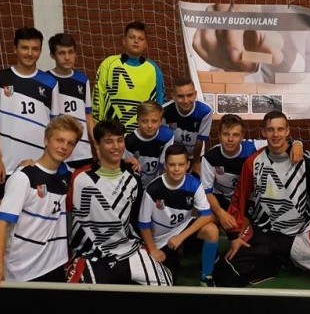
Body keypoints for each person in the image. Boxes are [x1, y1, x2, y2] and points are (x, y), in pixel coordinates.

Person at [213, 111, 310, 287]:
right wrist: (233, 235)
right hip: (264, 233)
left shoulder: (305, 161)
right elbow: (239, 199)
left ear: (287, 131)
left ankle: (288, 257)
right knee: (224, 274)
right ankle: (276, 260)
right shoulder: (253, 162)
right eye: (270, 129)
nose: (275, 134)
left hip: (298, 233)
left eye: (280, 129)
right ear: (263, 132)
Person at [0, 115, 83, 294]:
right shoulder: (23, 177)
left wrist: (127, 162)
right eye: (59, 140)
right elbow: (1, 224)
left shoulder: (67, 175)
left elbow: (99, 170)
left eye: (70, 143)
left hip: (54, 264)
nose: (64, 147)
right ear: (46, 140)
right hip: (22, 270)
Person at [67, 119, 173, 285]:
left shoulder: (133, 177)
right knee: (73, 292)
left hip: (128, 249)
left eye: (120, 140)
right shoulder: (78, 177)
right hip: (89, 254)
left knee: (165, 284)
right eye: (109, 142)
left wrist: (150, 248)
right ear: (97, 144)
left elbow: (138, 218)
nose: (116, 146)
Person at [0, 27, 59, 201]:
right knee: (4, 215)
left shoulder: (50, 83)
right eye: (25, 48)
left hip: (41, 165)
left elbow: (55, 127)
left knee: (39, 215)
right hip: (8, 166)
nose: (30, 53)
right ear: (15, 49)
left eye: (35, 49)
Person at [200, 114, 302, 231]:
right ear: (219, 135)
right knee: (207, 224)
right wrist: (221, 214)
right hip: (220, 198)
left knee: (240, 228)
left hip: (246, 199)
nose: (230, 139)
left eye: (235, 135)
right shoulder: (210, 157)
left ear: (242, 136)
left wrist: (297, 143)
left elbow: (281, 142)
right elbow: (207, 191)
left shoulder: (253, 147)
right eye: (226, 134)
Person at [138, 143, 219, 286]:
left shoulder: (194, 184)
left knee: (212, 230)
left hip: (182, 230)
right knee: (169, 280)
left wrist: (181, 237)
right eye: (172, 164)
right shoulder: (153, 189)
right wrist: (153, 249)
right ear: (165, 165)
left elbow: (207, 215)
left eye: (181, 164)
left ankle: (206, 277)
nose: (176, 169)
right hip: (161, 239)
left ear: (187, 165)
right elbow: (144, 224)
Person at [92, 21, 165, 134]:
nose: (136, 41)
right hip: (111, 134)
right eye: (132, 37)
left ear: (146, 44)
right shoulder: (108, 64)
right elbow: (98, 97)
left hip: (142, 136)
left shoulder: (153, 69)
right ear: (124, 41)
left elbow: (160, 103)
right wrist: (97, 127)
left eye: (141, 39)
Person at [47, 33, 94, 170]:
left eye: (71, 52)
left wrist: (95, 143)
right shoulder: (45, 81)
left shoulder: (83, 80)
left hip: (83, 151)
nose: (67, 57)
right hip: (58, 151)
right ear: (52, 55)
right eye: (62, 53)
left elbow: (88, 115)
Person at [162, 75, 212, 176]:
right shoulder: (164, 111)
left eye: (190, 95)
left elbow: (200, 140)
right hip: (173, 156)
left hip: (195, 155)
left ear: (195, 94)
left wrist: (196, 163)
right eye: (180, 96)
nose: (186, 101)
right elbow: (164, 140)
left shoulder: (205, 111)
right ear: (173, 96)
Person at [124, 100, 175, 187]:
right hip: (136, 185)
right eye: (144, 121)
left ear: (160, 121)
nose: (149, 126)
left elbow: (165, 165)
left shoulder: (167, 136)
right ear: (137, 120)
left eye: (154, 121)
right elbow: (128, 170)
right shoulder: (130, 141)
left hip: (156, 184)